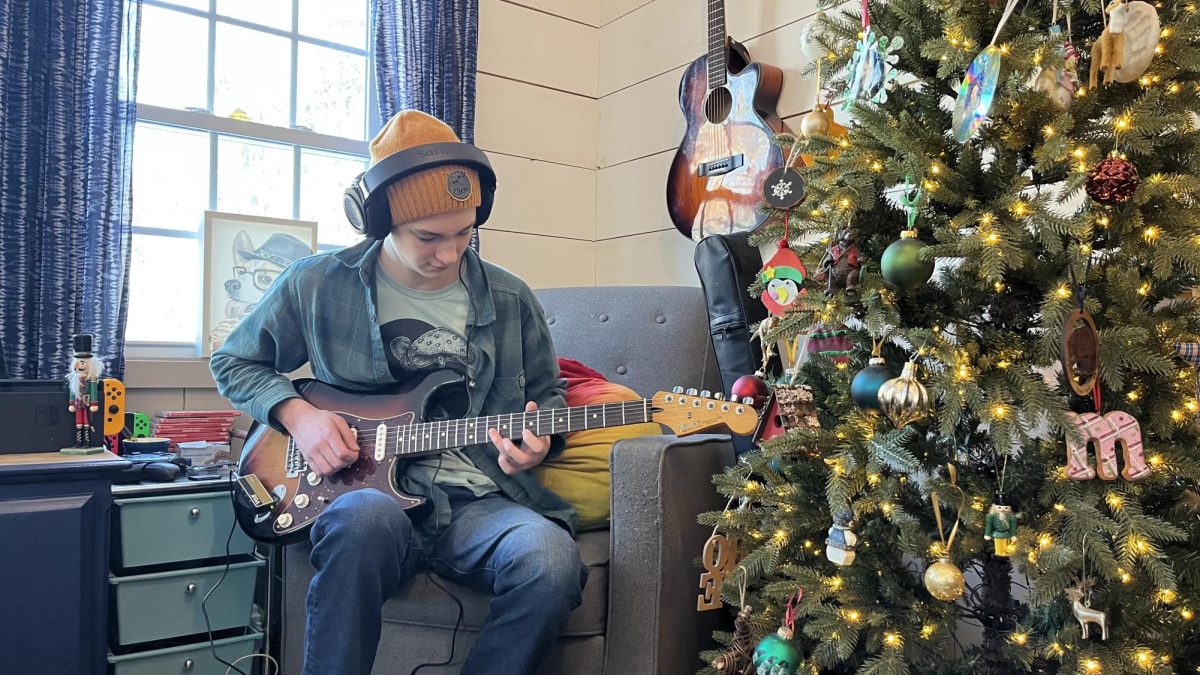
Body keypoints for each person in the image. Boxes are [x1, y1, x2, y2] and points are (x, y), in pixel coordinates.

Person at [210, 110, 586, 675]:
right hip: (364, 498)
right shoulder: (316, 285)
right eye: (428, 237)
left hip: (479, 502)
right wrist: (300, 416)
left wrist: (539, 442)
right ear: (378, 219)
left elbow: (546, 393)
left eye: (464, 233)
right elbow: (234, 361)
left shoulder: (510, 298)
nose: (449, 254)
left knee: (551, 560)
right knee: (362, 521)